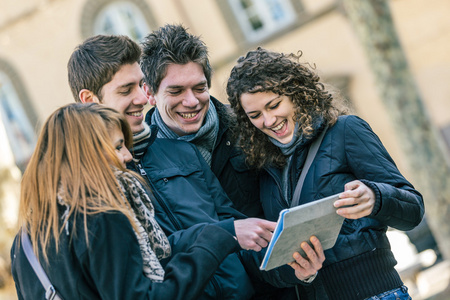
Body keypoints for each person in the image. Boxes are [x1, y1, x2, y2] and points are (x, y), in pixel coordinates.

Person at [67, 35, 324, 299]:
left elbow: (243, 233)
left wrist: (297, 269)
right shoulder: (86, 190)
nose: (142, 98)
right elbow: (144, 261)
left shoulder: (183, 152)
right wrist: (222, 234)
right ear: (89, 99)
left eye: (141, 85)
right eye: (126, 90)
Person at [226, 47, 424, 300]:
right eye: (255, 115)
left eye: (274, 105)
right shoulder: (261, 167)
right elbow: (262, 259)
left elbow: (414, 210)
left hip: (378, 292)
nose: (268, 120)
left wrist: (376, 198)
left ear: (295, 93)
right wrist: (299, 273)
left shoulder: (345, 131)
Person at [10, 102, 242, 300]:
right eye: (118, 146)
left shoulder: (23, 243)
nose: (127, 157)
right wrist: (211, 243)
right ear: (88, 154)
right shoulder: (102, 217)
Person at [140, 24, 263, 218]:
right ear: (149, 93)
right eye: (176, 91)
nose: (191, 102)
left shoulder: (249, 126)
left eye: (199, 88)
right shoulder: (139, 160)